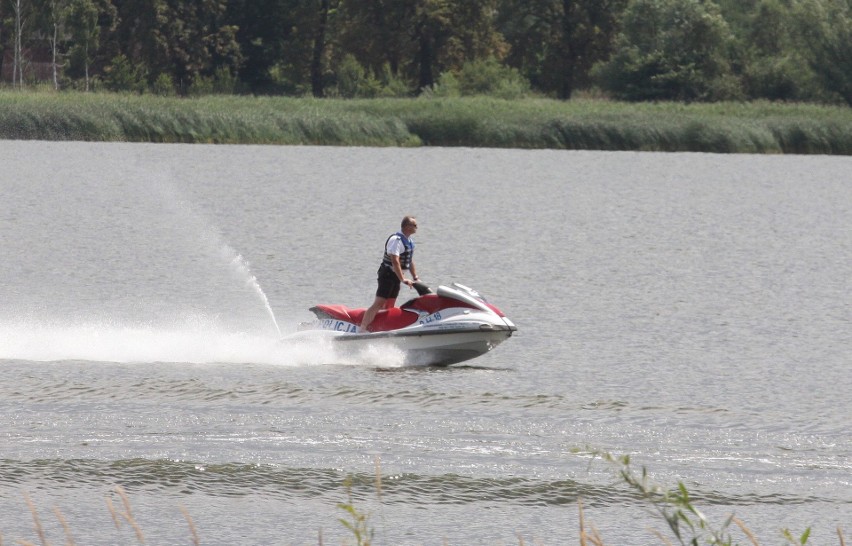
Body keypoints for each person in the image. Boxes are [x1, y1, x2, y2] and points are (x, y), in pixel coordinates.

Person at [360, 216, 419, 331]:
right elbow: (395, 261)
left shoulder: (410, 241)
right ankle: (362, 328)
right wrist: (403, 279)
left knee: (390, 304)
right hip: (387, 274)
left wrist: (415, 276)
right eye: (415, 225)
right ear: (407, 226)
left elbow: (409, 260)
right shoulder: (396, 240)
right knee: (379, 302)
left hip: (396, 276)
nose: (417, 227)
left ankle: (382, 327)